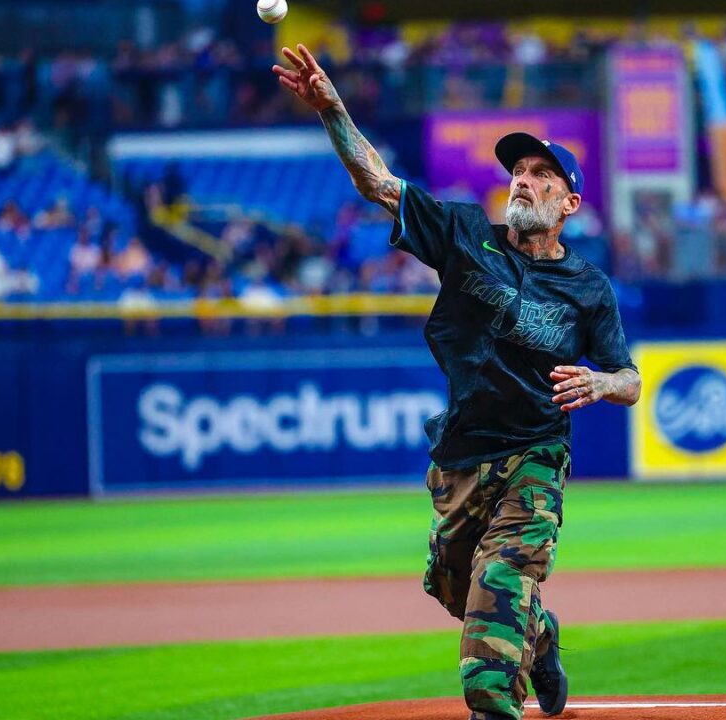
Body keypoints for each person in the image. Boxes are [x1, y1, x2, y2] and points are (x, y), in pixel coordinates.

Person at [274, 43, 642, 720]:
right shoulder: (467, 234)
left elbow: (630, 379)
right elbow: (379, 184)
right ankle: (542, 634)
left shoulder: (589, 287)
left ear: (571, 201)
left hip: (535, 456)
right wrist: (333, 113)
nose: (523, 180)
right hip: (461, 461)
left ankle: (498, 690)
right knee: (454, 590)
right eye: (518, 170)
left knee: (492, 625)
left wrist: (602, 383)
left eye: (541, 173)